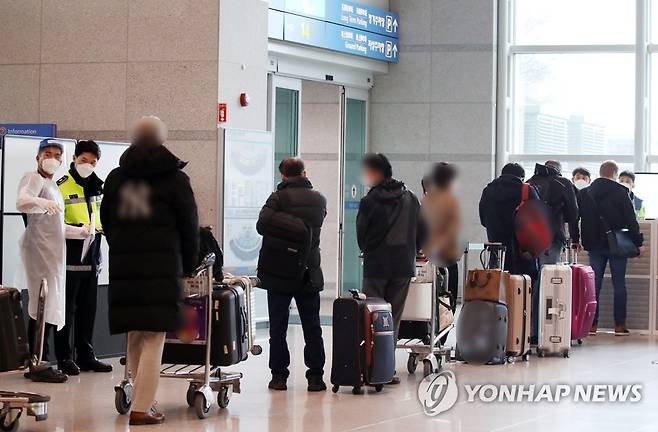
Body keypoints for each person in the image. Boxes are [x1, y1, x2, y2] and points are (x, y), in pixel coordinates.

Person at [101, 116, 199, 425]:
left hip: (125, 264)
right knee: (156, 335)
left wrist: (120, 243)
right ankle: (143, 406)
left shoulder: (117, 177)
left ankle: (135, 390)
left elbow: (107, 219)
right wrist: (189, 264)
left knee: (136, 331)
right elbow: (189, 225)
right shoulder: (174, 179)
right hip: (161, 265)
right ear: (162, 139)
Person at [256, 157, 327, 392]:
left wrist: (287, 223)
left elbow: (262, 224)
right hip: (308, 270)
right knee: (312, 326)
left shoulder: (277, 198)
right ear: (305, 173)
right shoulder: (319, 199)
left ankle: (279, 377)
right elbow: (314, 223)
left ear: (282, 176)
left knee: (278, 328)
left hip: (279, 271)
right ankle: (315, 377)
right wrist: (300, 226)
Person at [357, 153, 421, 384]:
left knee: (371, 317)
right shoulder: (411, 198)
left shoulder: (369, 201)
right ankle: (386, 368)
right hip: (403, 266)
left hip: (376, 266)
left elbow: (361, 235)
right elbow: (421, 230)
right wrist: (416, 250)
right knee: (391, 319)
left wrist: (369, 249)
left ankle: (369, 365)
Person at [16, 139, 75, 383]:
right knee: (41, 305)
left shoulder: (53, 185)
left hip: (53, 252)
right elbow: (21, 201)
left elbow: (55, 225)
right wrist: (43, 202)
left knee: (49, 305)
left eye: (56, 155)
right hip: (39, 252)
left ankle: (42, 359)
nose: (51, 158)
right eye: (47, 154)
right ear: (38, 158)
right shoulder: (33, 178)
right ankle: (37, 361)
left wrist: (80, 231)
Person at [54, 140, 112, 376]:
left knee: (88, 309)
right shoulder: (62, 186)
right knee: (66, 311)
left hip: (93, 255)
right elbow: (53, 224)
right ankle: (64, 357)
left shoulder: (99, 186)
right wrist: (78, 230)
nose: (88, 165)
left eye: (93, 162)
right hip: (69, 255)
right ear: (74, 160)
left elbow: (101, 218)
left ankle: (86, 355)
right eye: (83, 160)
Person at [579, 161, 645, 336]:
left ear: (600, 173)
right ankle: (619, 326)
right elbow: (631, 220)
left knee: (594, 285)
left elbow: (578, 218)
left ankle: (591, 325)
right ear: (615, 174)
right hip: (616, 244)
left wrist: (578, 239)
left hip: (593, 244)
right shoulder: (621, 192)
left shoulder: (585, 193)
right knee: (619, 284)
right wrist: (638, 243)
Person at [479, 163, 541, 340]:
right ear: (521, 177)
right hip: (524, 249)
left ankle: (499, 332)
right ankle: (523, 333)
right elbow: (539, 219)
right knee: (526, 288)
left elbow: (483, 219)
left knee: (499, 288)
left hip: (496, 249)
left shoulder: (488, 191)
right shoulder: (527, 191)